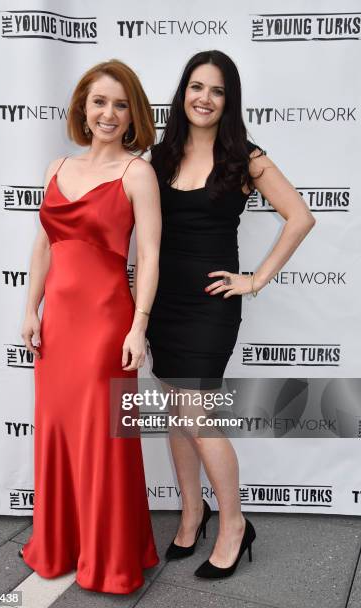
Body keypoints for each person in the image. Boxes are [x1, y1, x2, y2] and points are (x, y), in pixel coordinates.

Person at [146, 50, 316, 579]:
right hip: (164, 303)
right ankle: (192, 515)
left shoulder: (246, 156)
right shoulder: (161, 155)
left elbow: (300, 217)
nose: (204, 98)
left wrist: (255, 280)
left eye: (217, 91)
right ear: (183, 93)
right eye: (196, 87)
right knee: (178, 412)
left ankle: (236, 524)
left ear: (229, 100)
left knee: (198, 415)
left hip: (210, 307)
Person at [19, 59, 161, 594]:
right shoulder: (57, 166)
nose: (108, 113)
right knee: (57, 434)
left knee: (104, 440)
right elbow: (44, 245)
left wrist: (138, 326)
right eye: (99, 101)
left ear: (132, 116)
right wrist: (30, 309)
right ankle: (59, 545)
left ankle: (112, 557)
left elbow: (148, 257)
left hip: (107, 325)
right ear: (83, 105)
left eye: (120, 105)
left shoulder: (137, 173)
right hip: (57, 325)